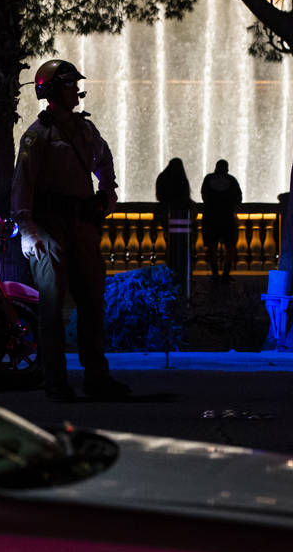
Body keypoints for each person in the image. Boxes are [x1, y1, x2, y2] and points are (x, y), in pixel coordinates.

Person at [12, 59, 130, 402]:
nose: (75, 90)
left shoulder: (84, 130)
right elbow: (23, 183)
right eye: (67, 85)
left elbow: (103, 157)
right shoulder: (38, 135)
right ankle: (56, 382)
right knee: (51, 307)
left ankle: (97, 378)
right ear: (50, 91)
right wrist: (27, 228)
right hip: (49, 229)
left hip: (82, 227)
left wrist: (108, 192)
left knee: (93, 302)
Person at [200, 159, 243, 279]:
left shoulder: (208, 179)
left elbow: (204, 195)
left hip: (210, 217)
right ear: (227, 168)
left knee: (212, 246)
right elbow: (239, 197)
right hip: (227, 217)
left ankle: (214, 273)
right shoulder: (232, 180)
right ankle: (226, 273)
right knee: (229, 246)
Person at [155, 157, 193, 283]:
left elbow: (159, 195)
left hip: (167, 214)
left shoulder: (163, 177)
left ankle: (171, 266)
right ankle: (181, 269)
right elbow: (186, 196)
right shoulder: (182, 179)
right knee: (182, 243)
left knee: (170, 241)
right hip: (181, 216)